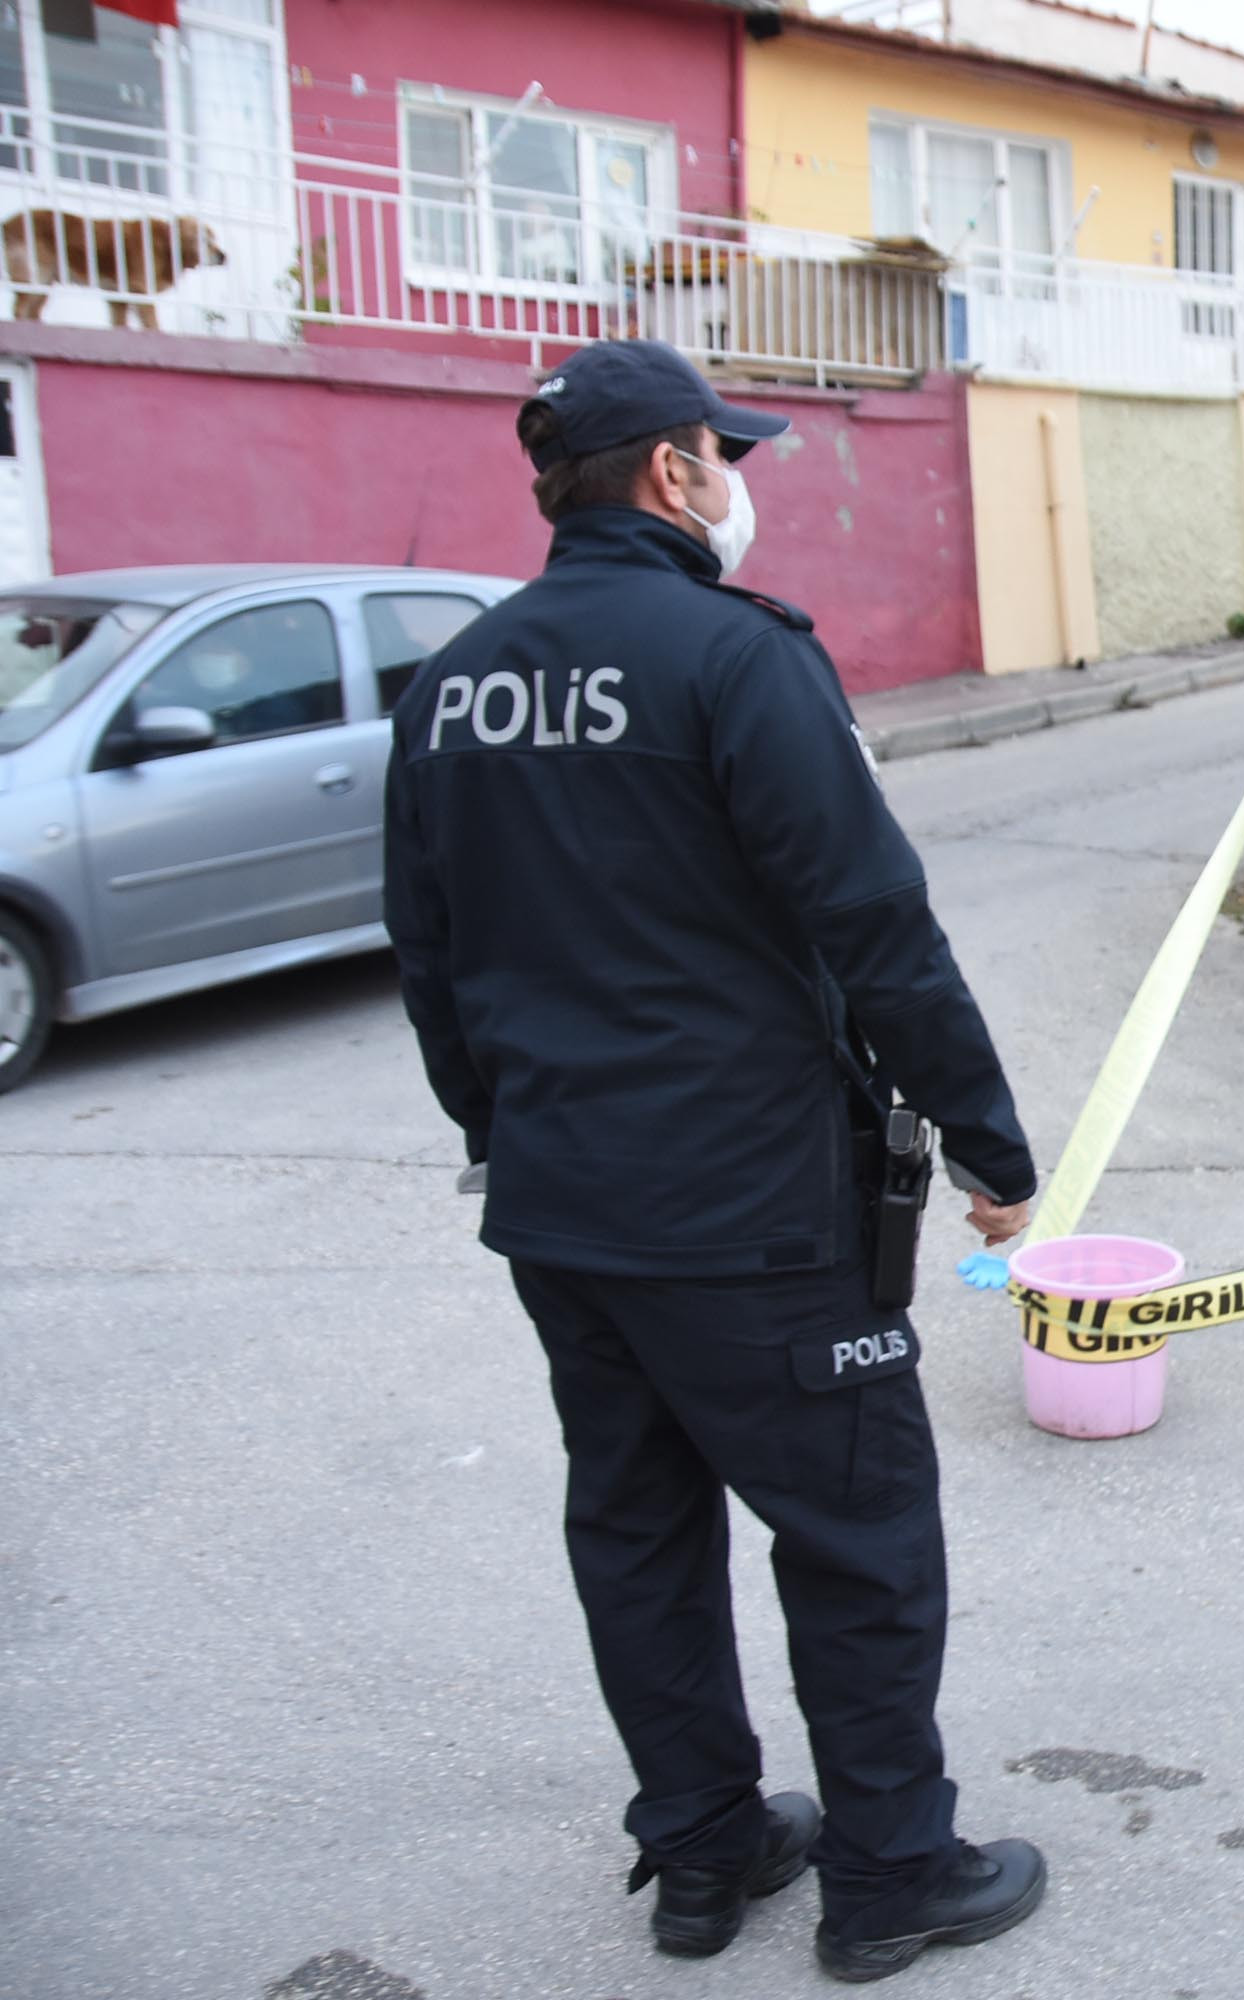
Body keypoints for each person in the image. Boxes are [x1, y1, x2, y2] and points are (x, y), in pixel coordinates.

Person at [383, 338, 1048, 1982]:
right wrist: (991, 1138)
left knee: (637, 1528)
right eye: (723, 453)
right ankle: (892, 1870)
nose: (738, 479)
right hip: (752, 1215)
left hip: (563, 1211)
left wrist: (506, 1138)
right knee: (860, 1534)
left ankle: (703, 1848)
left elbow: (431, 953)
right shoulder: (736, 658)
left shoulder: (455, 682)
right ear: (676, 475)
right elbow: (875, 922)